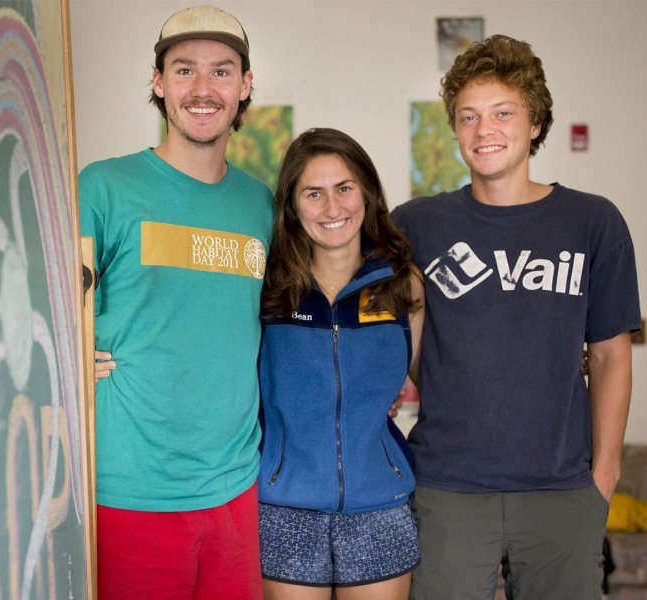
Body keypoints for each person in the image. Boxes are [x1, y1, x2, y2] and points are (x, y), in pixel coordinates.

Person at [391, 35, 641, 599]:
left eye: (503, 113)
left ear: (535, 123)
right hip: (447, 487)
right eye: (469, 116)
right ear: (454, 129)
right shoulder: (416, 224)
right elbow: (396, 339)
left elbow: (609, 355)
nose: (485, 131)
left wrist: (603, 478)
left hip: (562, 491)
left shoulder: (592, 222)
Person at [78, 5, 273, 598]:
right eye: (184, 70)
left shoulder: (261, 204)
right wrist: (62, 360)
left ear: (245, 87)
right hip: (130, 489)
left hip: (236, 491)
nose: (203, 89)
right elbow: (40, 311)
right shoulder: (102, 186)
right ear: (159, 84)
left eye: (221, 71)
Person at [257, 127, 424, 598]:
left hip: (380, 504)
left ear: (367, 193)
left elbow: (437, 379)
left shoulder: (402, 284)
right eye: (314, 193)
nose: (332, 208)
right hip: (283, 506)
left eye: (344, 188)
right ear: (292, 206)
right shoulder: (268, 287)